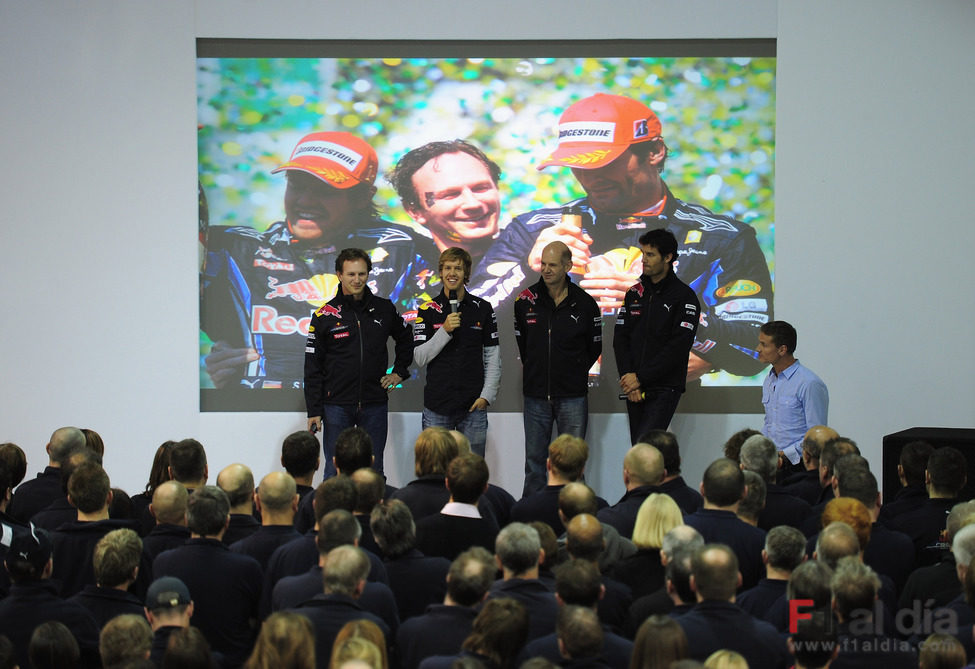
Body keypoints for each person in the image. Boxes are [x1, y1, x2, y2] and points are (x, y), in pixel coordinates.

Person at [469, 92, 771, 383]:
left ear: (654, 152)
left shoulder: (721, 238)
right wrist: (526, 269)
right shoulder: (533, 230)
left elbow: (753, 350)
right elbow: (469, 327)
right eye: (578, 165)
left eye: (603, 163)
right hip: (552, 411)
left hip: (671, 417)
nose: (590, 178)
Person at [202, 130, 433, 390]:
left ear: (362, 197)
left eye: (325, 190)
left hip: (365, 418)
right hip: (258, 416)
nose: (305, 201)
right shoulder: (236, 248)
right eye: (297, 185)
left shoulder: (403, 248)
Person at [304, 247, 413, 477]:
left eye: (362, 274)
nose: (357, 279)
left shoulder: (384, 309)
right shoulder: (324, 316)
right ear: (339, 275)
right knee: (334, 470)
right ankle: (332, 513)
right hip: (336, 405)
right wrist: (314, 409)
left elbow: (406, 338)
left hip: (375, 402)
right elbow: (312, 365)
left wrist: (400, 372)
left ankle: (372, 513)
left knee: (374, 469)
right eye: (351, 274)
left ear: (369, 274)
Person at [514, 241, 602, 494]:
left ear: (568, 266)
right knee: (534, 463)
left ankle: (575, 516)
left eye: (553, 265)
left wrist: (572, 371)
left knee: (572, 463)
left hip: (572, 396)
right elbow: (524, 345)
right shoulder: (525, 300)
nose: (546, 270)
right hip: (535, 395)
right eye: (543, 264)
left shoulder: (585, 303)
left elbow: (593, 347)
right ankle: (532, 517)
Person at [412, 247, 500, 457]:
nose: (452, 273)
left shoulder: (483, 308)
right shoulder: (427, 309)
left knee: (472, 472)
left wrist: (487, 396)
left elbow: (493, 357)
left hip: (473, 407)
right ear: (440, 272)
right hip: (437, 406)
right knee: (434, 470)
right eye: (448, 268)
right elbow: (419, 357)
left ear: (466, 273)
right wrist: (444, 330)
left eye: (458, 268)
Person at [614, 228, 700, 441]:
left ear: (668, 257)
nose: (644, 260)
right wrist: (629, 378)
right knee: (639, 450)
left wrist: (640, 378)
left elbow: (678, 347)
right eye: (643, 254)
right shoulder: (634, 293)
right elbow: (620, 338)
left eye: (650, 255)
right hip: (634, 385)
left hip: (664, 387)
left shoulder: (684, 297)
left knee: (646, 448)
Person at [387, 139, 503, 270]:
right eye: (450, 195)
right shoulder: (401, 279)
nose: (473, 204)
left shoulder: (528, 247)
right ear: (415, 211)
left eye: (481, 188)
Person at [757, 320, 829, 467]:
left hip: (799, 465)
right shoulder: (770, 379)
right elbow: (770, 423)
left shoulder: (809, 383)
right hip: (773, 464)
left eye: (764, 345)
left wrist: (785, 455)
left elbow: (817, 435)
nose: (758, 349)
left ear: (782, 350)